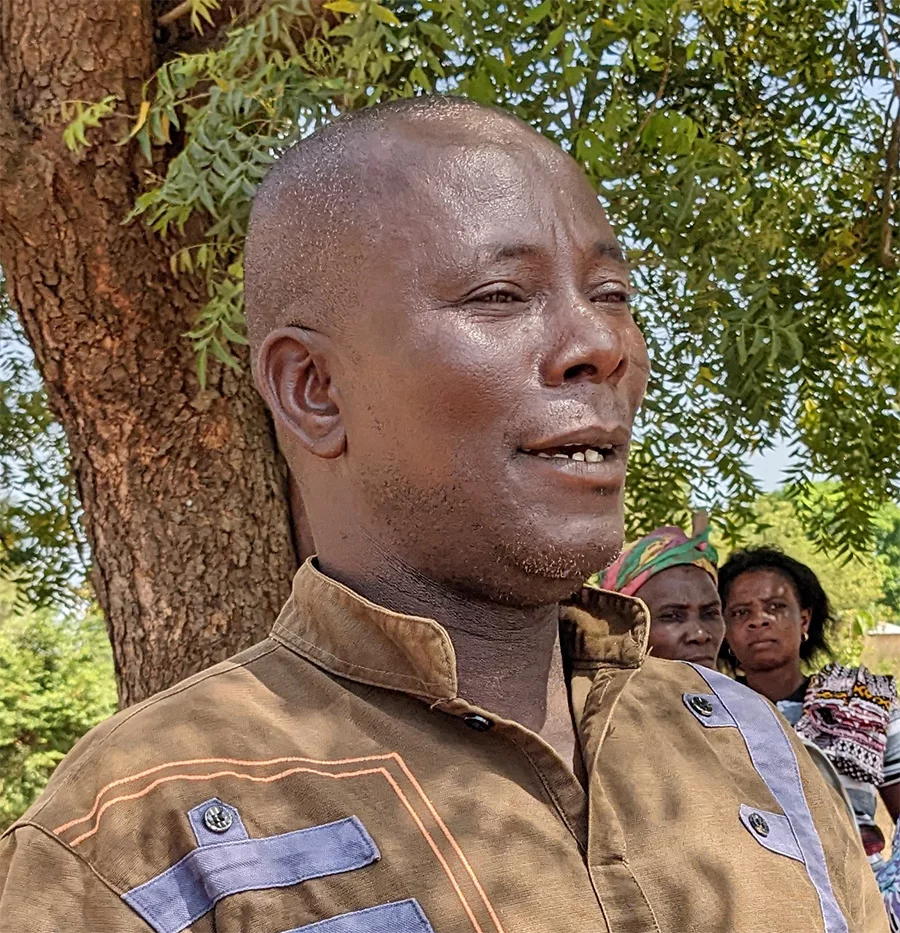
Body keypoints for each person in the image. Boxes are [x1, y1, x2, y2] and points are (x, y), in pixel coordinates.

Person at [0, 97, 885, 932]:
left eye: (611, 293)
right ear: (314, 388)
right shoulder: (129, 839)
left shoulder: (758, 755)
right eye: (500, 295)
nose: (603, 345)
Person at [719, 546, 900, 856]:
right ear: (724, 629)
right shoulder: (709, 711)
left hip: (858, 893)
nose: (758, 620)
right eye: (740, 612)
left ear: (804, 620)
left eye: (775, 606)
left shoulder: (864, 703)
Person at [589, 519, 724, 668]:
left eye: (711, 613)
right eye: (672, 616)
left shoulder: (739, 691)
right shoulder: (586, 689)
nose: (700, 635)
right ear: (624, 627)